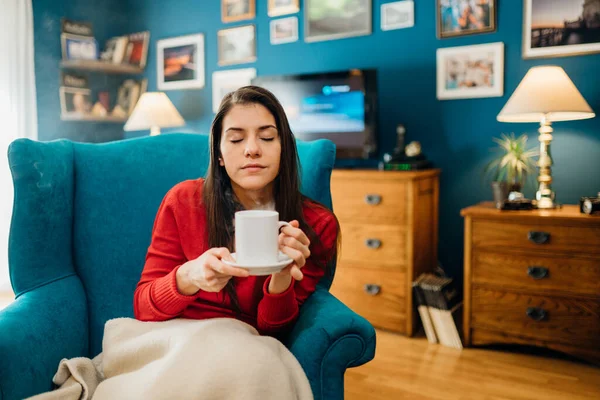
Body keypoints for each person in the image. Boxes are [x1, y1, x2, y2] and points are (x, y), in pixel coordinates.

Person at [133, 86, 340, 336]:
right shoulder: (183, 201)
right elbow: (143, 308)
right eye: (235, 139)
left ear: (283, 148)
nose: (252, 149)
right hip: (175, 338)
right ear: (219, 154)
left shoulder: (315, 224)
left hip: (244, 346)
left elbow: (275, 331)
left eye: (266, 137)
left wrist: (282, 277)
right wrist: (190, 276)